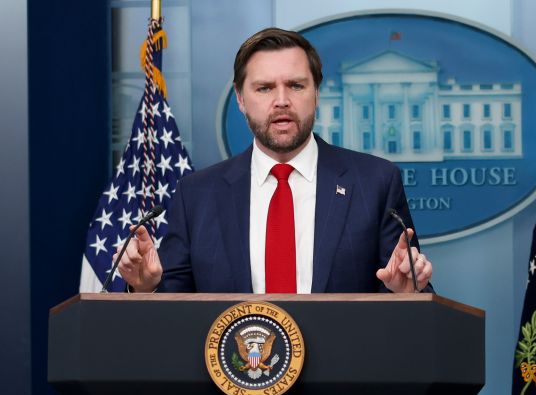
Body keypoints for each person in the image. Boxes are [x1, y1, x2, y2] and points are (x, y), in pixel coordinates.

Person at [115, 27, 433, 294]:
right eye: (265, 88)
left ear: (316, 93)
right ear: (240, 98)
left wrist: (406, 295)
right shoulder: (197, 194)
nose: (282, 101)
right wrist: (146, 288)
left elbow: (406, 288)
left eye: (296, 85)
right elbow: (174, 310)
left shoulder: (375, 183)